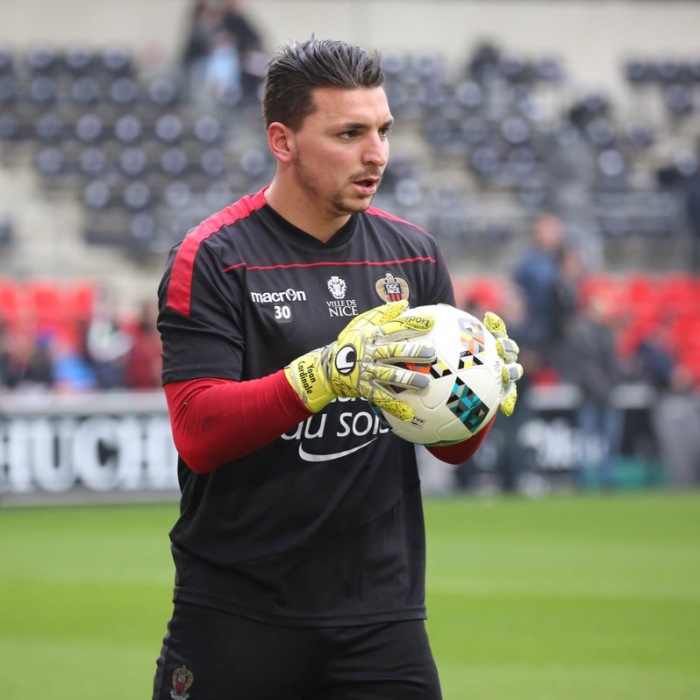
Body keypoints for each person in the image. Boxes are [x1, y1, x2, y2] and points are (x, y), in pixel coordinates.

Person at [152, 38, 522, 700]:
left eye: (383, 130)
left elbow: (454, 448)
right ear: (283, 141)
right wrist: (320, 377)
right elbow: (198, 433)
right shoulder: (214, 257)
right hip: (237, 610)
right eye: (349, 134)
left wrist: (479, 391)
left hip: (381, 614)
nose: (376, 154)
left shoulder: (413, 256)